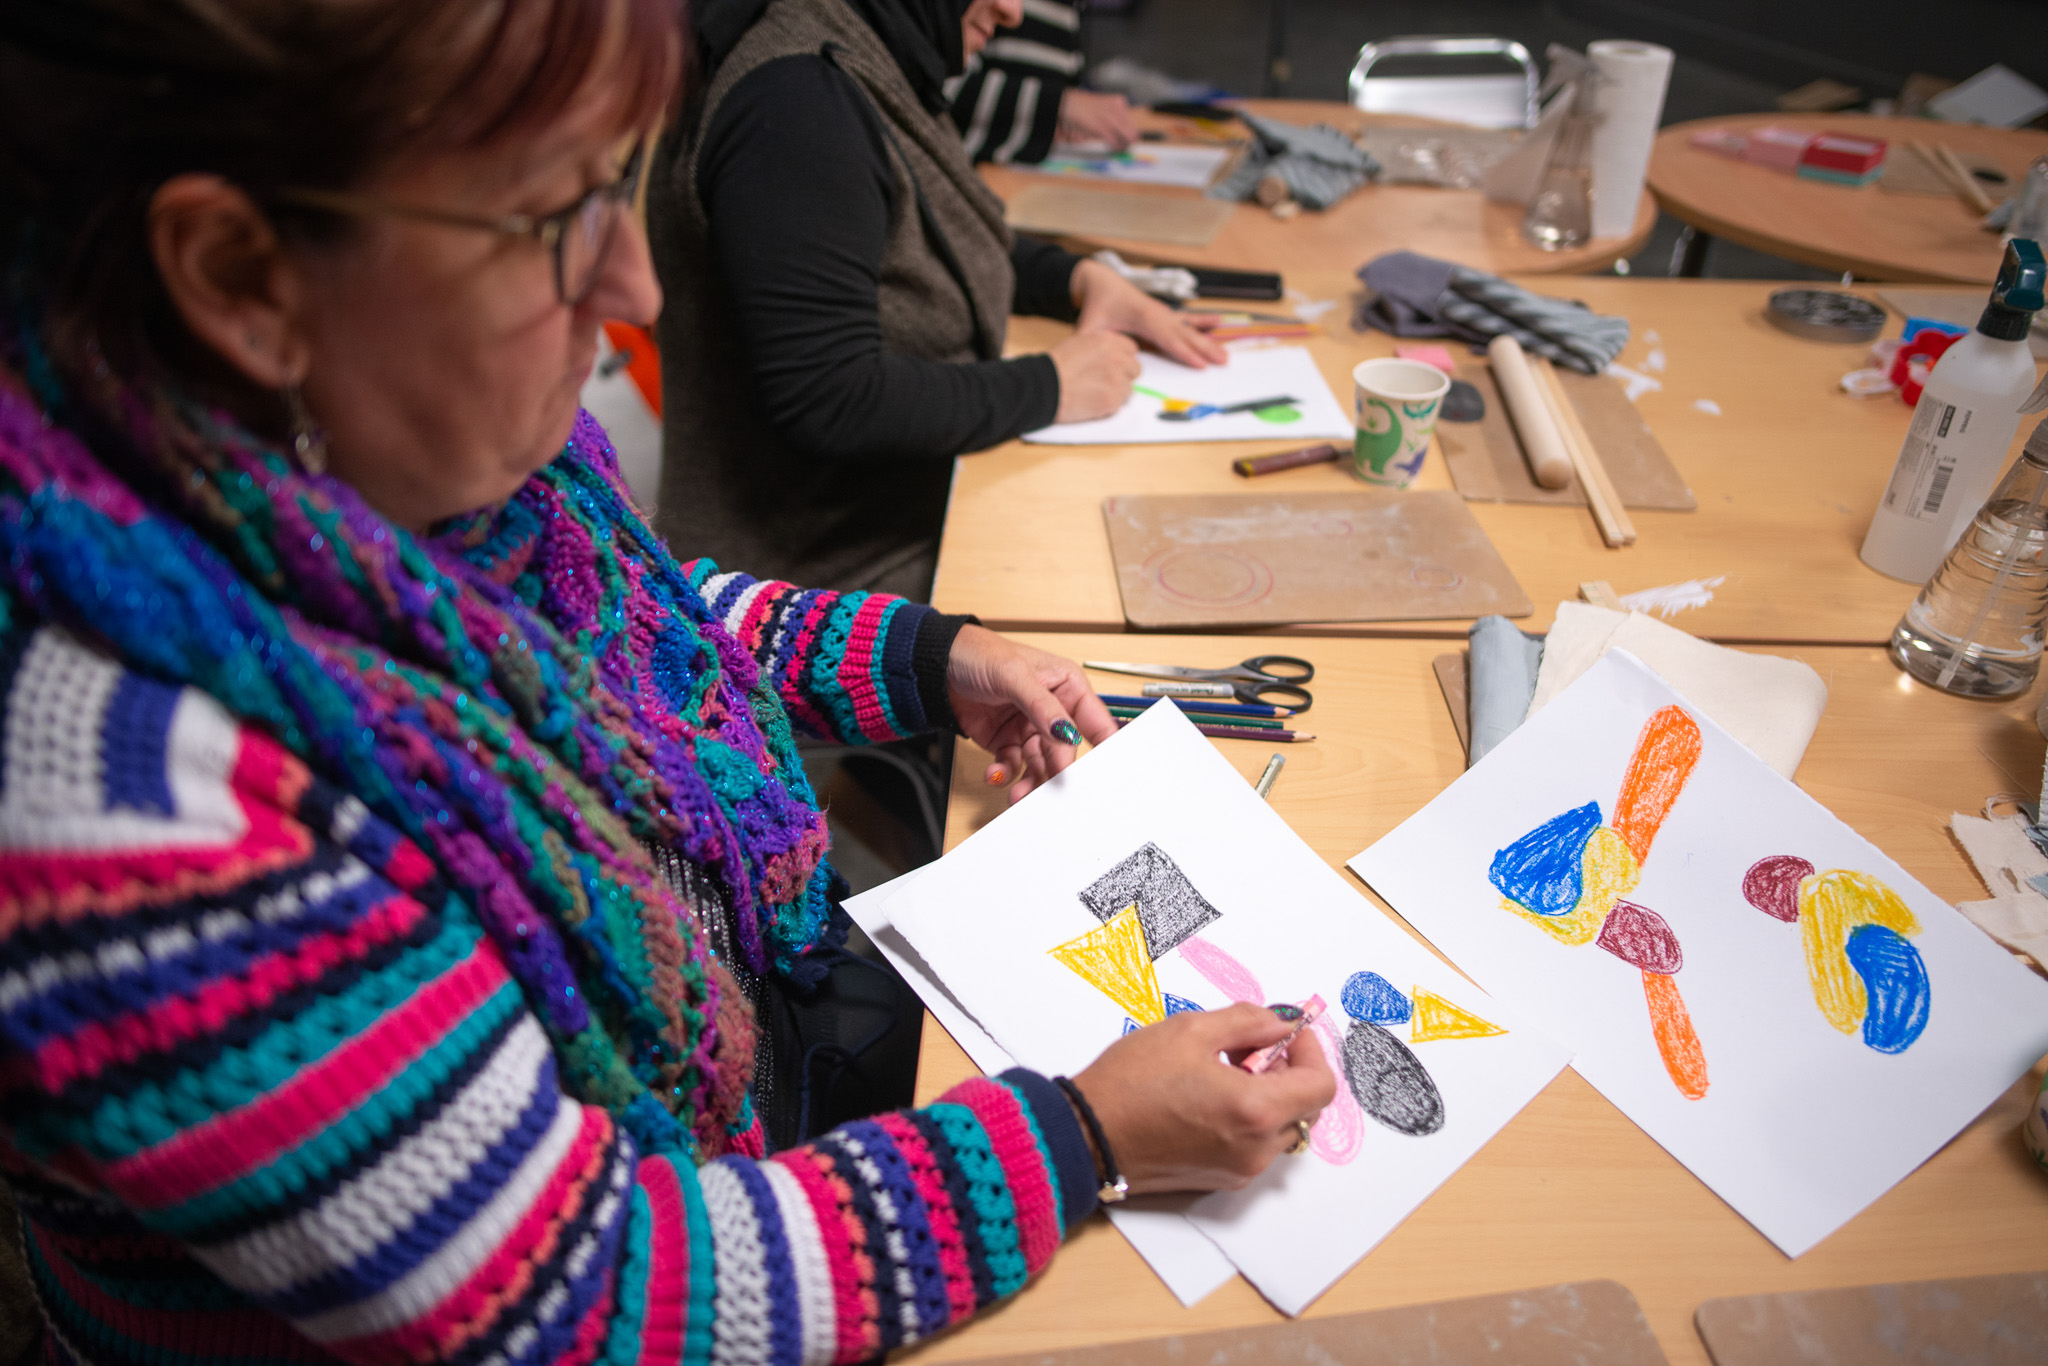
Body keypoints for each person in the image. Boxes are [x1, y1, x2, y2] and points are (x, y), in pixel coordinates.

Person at [0, 2, 1334, 1363]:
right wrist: (1085, 1135)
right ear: (239, 273)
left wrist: (929, 660)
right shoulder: (140, 822)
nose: (636, 286)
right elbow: (597, 1294)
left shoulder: (365, 455)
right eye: (558, 214)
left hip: (742, 1079)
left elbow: (638, 626)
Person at [650, 0, 1225, 598]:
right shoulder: (798, 100)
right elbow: (829, 397)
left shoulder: (865, 51)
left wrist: (1079, 280)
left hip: (905, 525)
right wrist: (1052, 385)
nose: (1010, 11)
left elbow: (930, 237)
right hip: (820, 590)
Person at [949, 0, 1140, 165]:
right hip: (971, 178)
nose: (1014, 14)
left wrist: (1056, 123)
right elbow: (938, 87)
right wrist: (1061, 106)